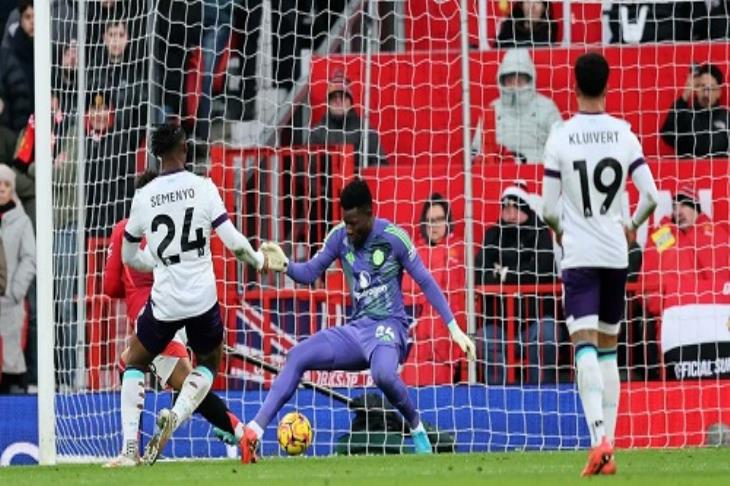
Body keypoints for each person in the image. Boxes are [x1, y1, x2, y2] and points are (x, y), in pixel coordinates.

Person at [242, 179, 476, 463]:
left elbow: (426, 281)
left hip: (389, 327)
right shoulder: (339, 237)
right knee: (297, 356)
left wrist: (454, 328)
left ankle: (416, 428)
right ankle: (253, 431)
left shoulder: (393, 237)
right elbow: (310, 272)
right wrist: (286, 265)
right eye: (345, 222)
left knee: (384, 376)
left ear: (369, 213)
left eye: (353, 222)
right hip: (356, 331)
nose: (348, 229)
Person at [119, 123, 269, 465]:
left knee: (135, 362)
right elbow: (234, 243)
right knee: (209, 363)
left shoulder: (143, 197)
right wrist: (259, 260)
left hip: (165, 302)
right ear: (184, 149)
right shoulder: (203, 188)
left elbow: (130, 258)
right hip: (202, 300)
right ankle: (178, 414)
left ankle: (130, 451)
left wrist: (154, 260)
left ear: (156, 156)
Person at [541, 52, 658, 475]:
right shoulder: (624, 135)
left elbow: (549, 209)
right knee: (609, 350)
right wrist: (630, 226)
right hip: (614, 253)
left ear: (574, 86)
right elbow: (652, 197)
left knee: (584, 346)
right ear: (608, 86)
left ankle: (597, 440)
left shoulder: (561, 137)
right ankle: (609, 448)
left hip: (579, 253)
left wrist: (559, 229)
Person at [103, 169, 247, 466]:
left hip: (153, 315)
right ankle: (134, 447)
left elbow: (110, 287)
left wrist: (133, 288)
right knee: (132, 361)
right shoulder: (182, 216)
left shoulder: (124, 229)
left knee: (179, 380)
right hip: (184, 308)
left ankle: (236, 429)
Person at [475, 182, 557, 384]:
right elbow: (481, 274)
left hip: (535, 320)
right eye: (506, 208)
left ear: (526, 209)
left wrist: (504, 273)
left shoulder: (540, 233)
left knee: (547, 332)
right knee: (483, 337)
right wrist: (521, 272)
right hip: (499, 322)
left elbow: (542, 271)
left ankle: (543, 397)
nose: (510, 214)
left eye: (515, 207)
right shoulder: (493, 235)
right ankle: (495, 401)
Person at [401, 194, 465, 386]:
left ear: (448, 222)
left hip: (448, 335)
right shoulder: (413, 252)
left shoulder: (461, 250)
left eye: (438, 220)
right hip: (419, 336)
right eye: (429, 221)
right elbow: (408, 292)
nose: (434, 226)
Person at [642, 184, 730, 317]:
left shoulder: (715, 234)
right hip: (670, 312)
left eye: (683, 205)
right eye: (675, 207)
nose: (678, 212)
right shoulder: (665, 234)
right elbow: (649, 272)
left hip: (711, 313)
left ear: (695, 207)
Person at [489, 49, 562, 163]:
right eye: (510, 80)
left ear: (530, 79)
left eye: (520, 80)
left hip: (538, 171)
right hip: (499, 173)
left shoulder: (546, 107)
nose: (514, 85)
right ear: (501, 80)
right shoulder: (493, 108)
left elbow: (561, 147)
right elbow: (477, 149)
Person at [0, 163, 35, 393]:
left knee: (11, 349)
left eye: (6, 185)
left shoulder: (22, 221)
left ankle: (16, 382)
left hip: (9, 298)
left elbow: (30, 257)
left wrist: (15, 291)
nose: (1, 189)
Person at [308, 70, 387, 169]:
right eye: (333, 97)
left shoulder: (365, 130)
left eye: (343, 96)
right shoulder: (317, 132)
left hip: (359, 183)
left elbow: (381, 165)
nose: (338, 101)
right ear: (328, 102)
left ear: (350, 102)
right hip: (327, 184)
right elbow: (308, 170)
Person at [660, 63, 730, 158]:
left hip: (720, 172)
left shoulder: (726, 118)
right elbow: (667, 135)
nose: (706, 93)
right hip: (686, 171)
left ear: (719, 92)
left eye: (711, 88)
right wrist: (685, 94)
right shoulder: (685, 115)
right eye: (702, 86)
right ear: (696, 88)